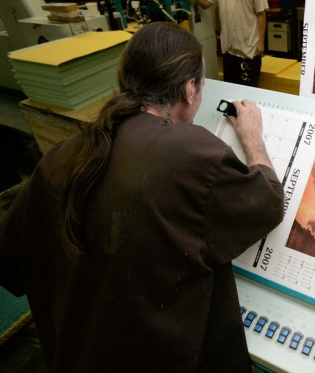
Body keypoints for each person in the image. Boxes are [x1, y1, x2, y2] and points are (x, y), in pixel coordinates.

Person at [0, 22, 284, 373]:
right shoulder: (191, 149)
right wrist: (253, 138)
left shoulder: (63, 154)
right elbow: (268, 201)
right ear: (190, 88)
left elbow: (10, 259)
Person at [178, 0, 268, 87]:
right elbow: (206, 3)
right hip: (228, 48)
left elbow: (261, 14)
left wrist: (261, 42)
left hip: (249, 49)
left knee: (249, 92)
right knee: (230, 90)